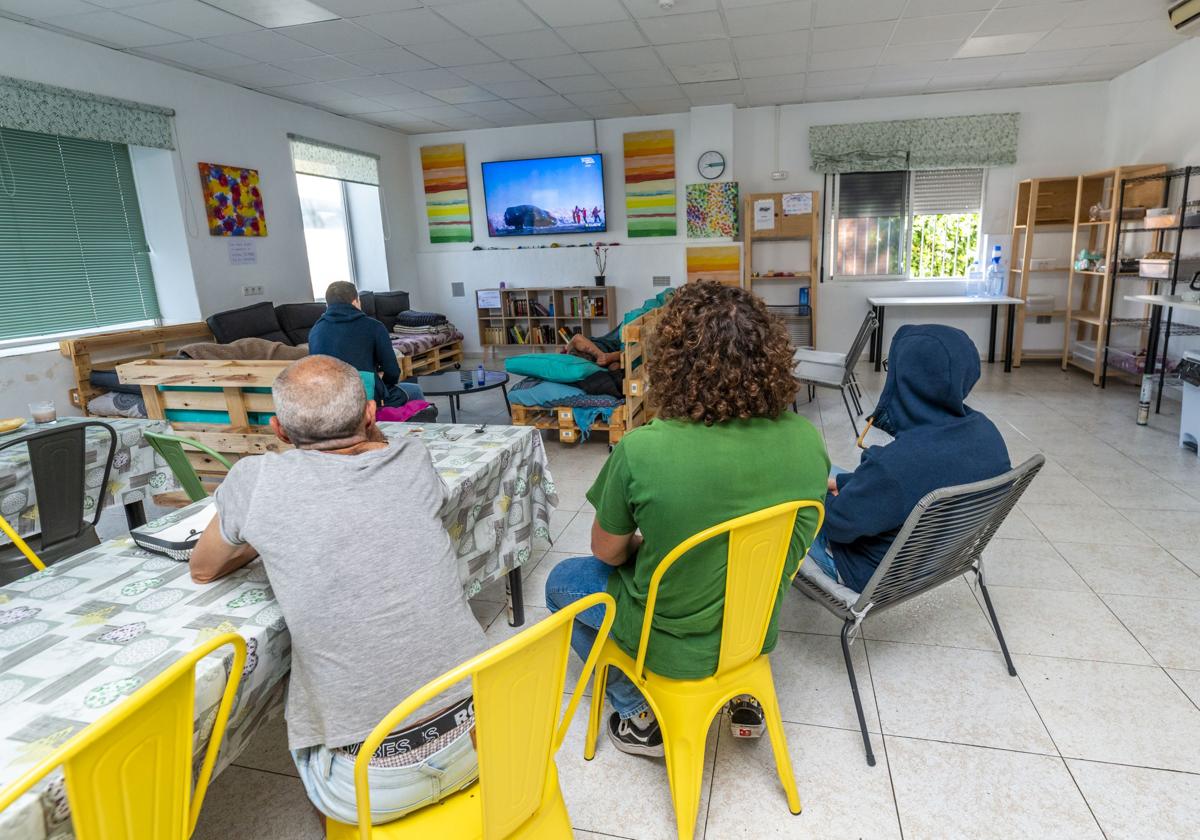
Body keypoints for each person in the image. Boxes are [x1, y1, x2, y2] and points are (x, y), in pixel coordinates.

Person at [189, 355, 486, 825]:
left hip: (368, 788)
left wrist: (262, 535)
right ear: (371, 414)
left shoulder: (256, 479)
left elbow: (203, 569)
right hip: (484, 743)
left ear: (279, 431)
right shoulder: (412, 457)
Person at [544, 281, 829, 756]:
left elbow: (607, 552)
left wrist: (654, 548)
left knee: (562, 580)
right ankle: (740, 689)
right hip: (753, 631)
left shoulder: (643, 449)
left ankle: (638, 714)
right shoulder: (807, 441)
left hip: (671, 640)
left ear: (671, 363)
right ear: (772, 356)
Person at [806, 324, 1011, 592]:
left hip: (867, 573)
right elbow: (912, 482)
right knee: (831, 473)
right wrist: (844, 484)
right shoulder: (987, 434)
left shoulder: (894, 465)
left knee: (785, 484)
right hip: (934, 561)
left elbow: (837, 526)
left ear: (908, 380)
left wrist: (818, 496)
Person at [307, 281, 434, 418]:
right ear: (356, 301)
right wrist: (382, 384)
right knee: (415, 390)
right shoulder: (373, 326)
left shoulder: (315, 330)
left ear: (327, 305)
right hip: (365, 398)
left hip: (328, 401)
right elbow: (392, 371)